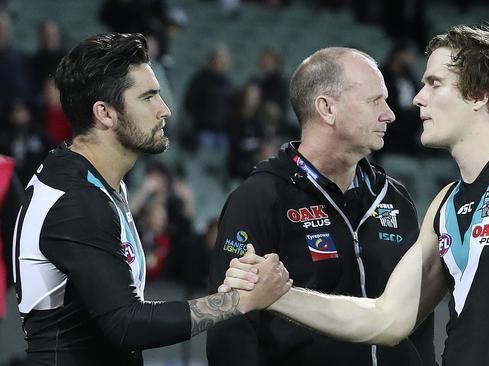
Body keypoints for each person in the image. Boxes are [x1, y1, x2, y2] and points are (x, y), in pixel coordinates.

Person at [222, 25, 489, 366]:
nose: (418, 98)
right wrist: (279, 293)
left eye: (435, 83)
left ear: (480, 95)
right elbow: (387, 319)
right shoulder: (444, 205)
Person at [11, 32, 290, 366]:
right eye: (149, 97)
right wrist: (237, 302)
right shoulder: (76, 200)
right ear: (105, 113)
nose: (166, 110)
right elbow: (127, 323)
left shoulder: (97, 181)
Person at [207, 47, 436, 366]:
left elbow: (418, 316)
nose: (389, 114)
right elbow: (230, 325)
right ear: (327, 108)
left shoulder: (393, 198)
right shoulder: (261, 196)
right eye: (374, 101)